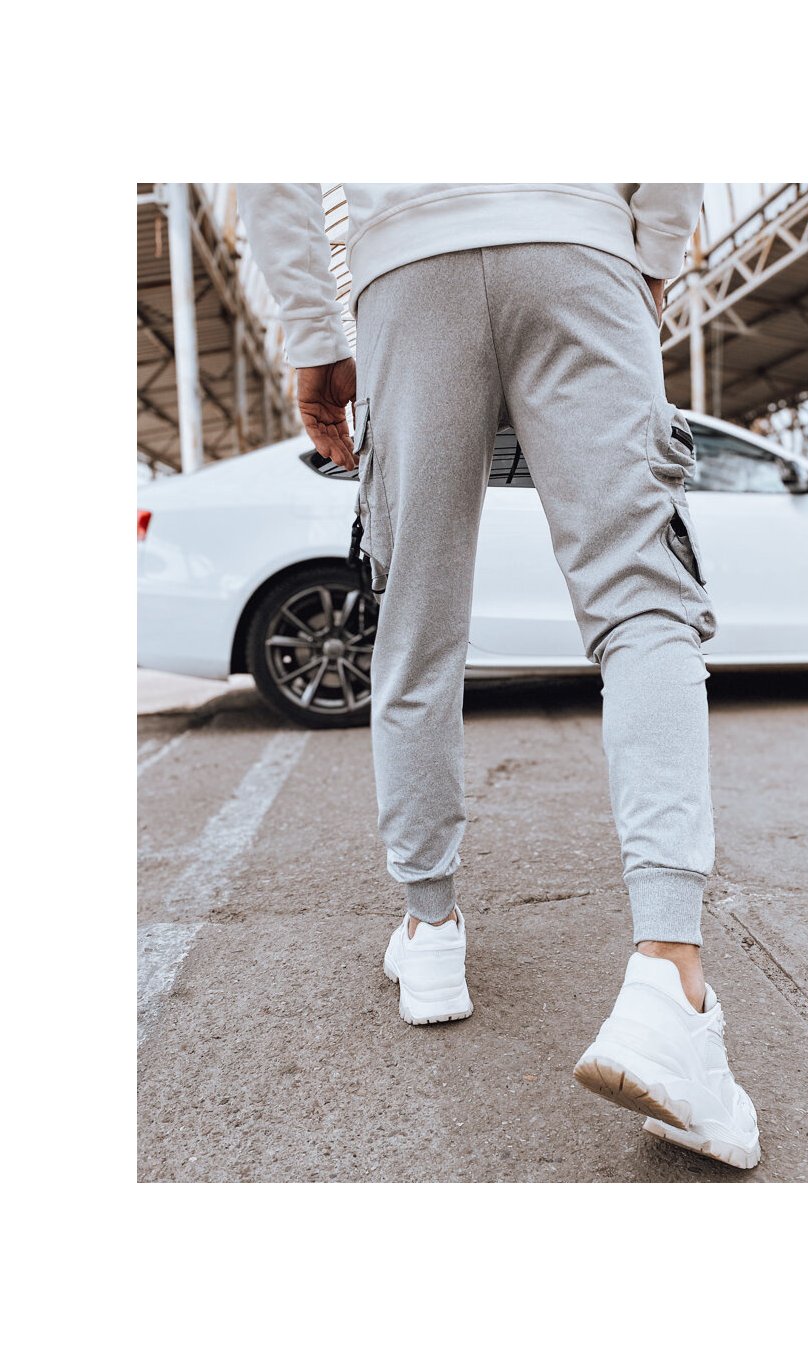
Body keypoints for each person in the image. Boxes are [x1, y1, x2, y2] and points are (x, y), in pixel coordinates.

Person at [238, 183, 760, 1169]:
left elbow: (271, 174)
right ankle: (668, 972)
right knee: (640, 600)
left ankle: (430, 927)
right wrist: (650, 251)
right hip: (577, 240)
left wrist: (314, 330)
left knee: (416, 627)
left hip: (406, 266)